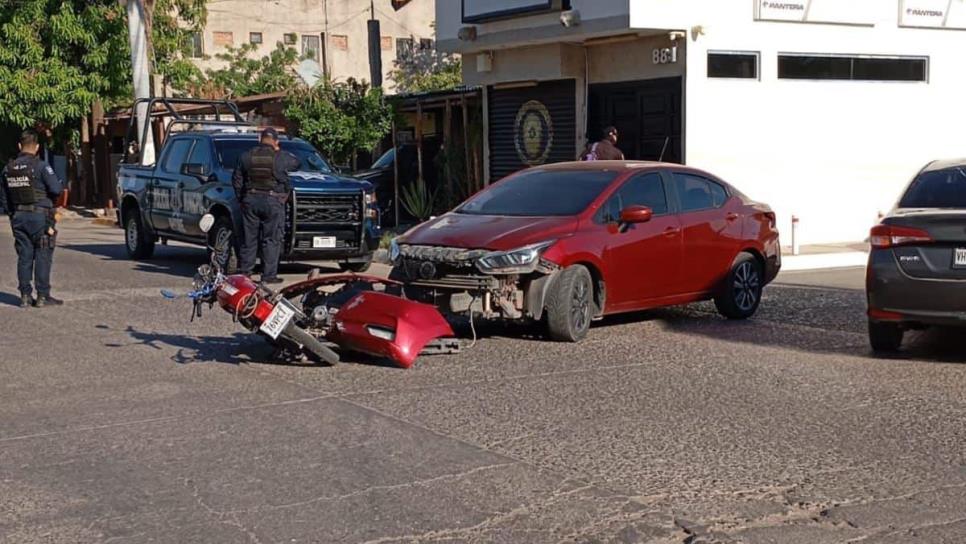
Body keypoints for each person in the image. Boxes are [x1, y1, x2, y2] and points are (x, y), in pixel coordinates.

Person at [0, 129, 64, 308]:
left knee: (24, 256)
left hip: (18, 217)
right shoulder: (41, 166)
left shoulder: (8, 168)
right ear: (36, 147)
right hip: (40, 217)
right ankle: (43, 295)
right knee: (43, 254)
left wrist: (13, 216)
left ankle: (25, 296)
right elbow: (56, 190)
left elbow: (4, 197)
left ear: (19, 146)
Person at [231, 128, 299, 284]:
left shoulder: (246, 156)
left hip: (251, 200)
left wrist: (242, 199)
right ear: (276, 142)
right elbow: (296, 163)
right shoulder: (280, 157)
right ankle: (268, 275)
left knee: (249, 239)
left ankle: (245, 273)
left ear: (259, 139)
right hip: (272, 201)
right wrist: (278, 150)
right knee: (271, 239)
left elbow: (236, 179)